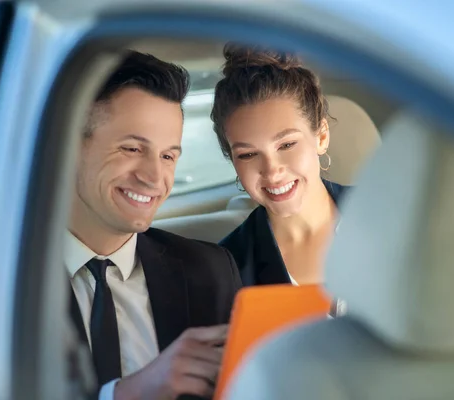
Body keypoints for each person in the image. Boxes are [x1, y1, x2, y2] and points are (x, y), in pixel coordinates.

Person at [66, 50, 242, 400]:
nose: (154, 178)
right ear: (69, 147)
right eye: (131, 149)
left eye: (168, 156)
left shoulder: (210, 272)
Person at [212, 44, 350, 287]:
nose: (272, 171)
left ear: (321, 138)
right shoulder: (226, 270)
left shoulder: (389, 216)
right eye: (248, 154)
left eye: (286, 145)